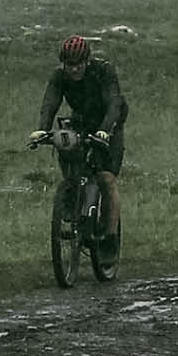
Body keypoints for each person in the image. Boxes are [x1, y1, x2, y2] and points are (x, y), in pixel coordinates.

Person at [27, 35, 128, 249]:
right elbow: (50, 102)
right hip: (82, 120)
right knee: (67, 148)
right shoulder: (59, 76)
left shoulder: (103, 71)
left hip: (109, 123)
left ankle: (110, 238)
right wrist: (42, 130)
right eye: (69, 65)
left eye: (78, 64)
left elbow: (114, 103)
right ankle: (72, 201)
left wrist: (105, 131)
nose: (74, 70)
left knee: (106, 179)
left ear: (87, 61)